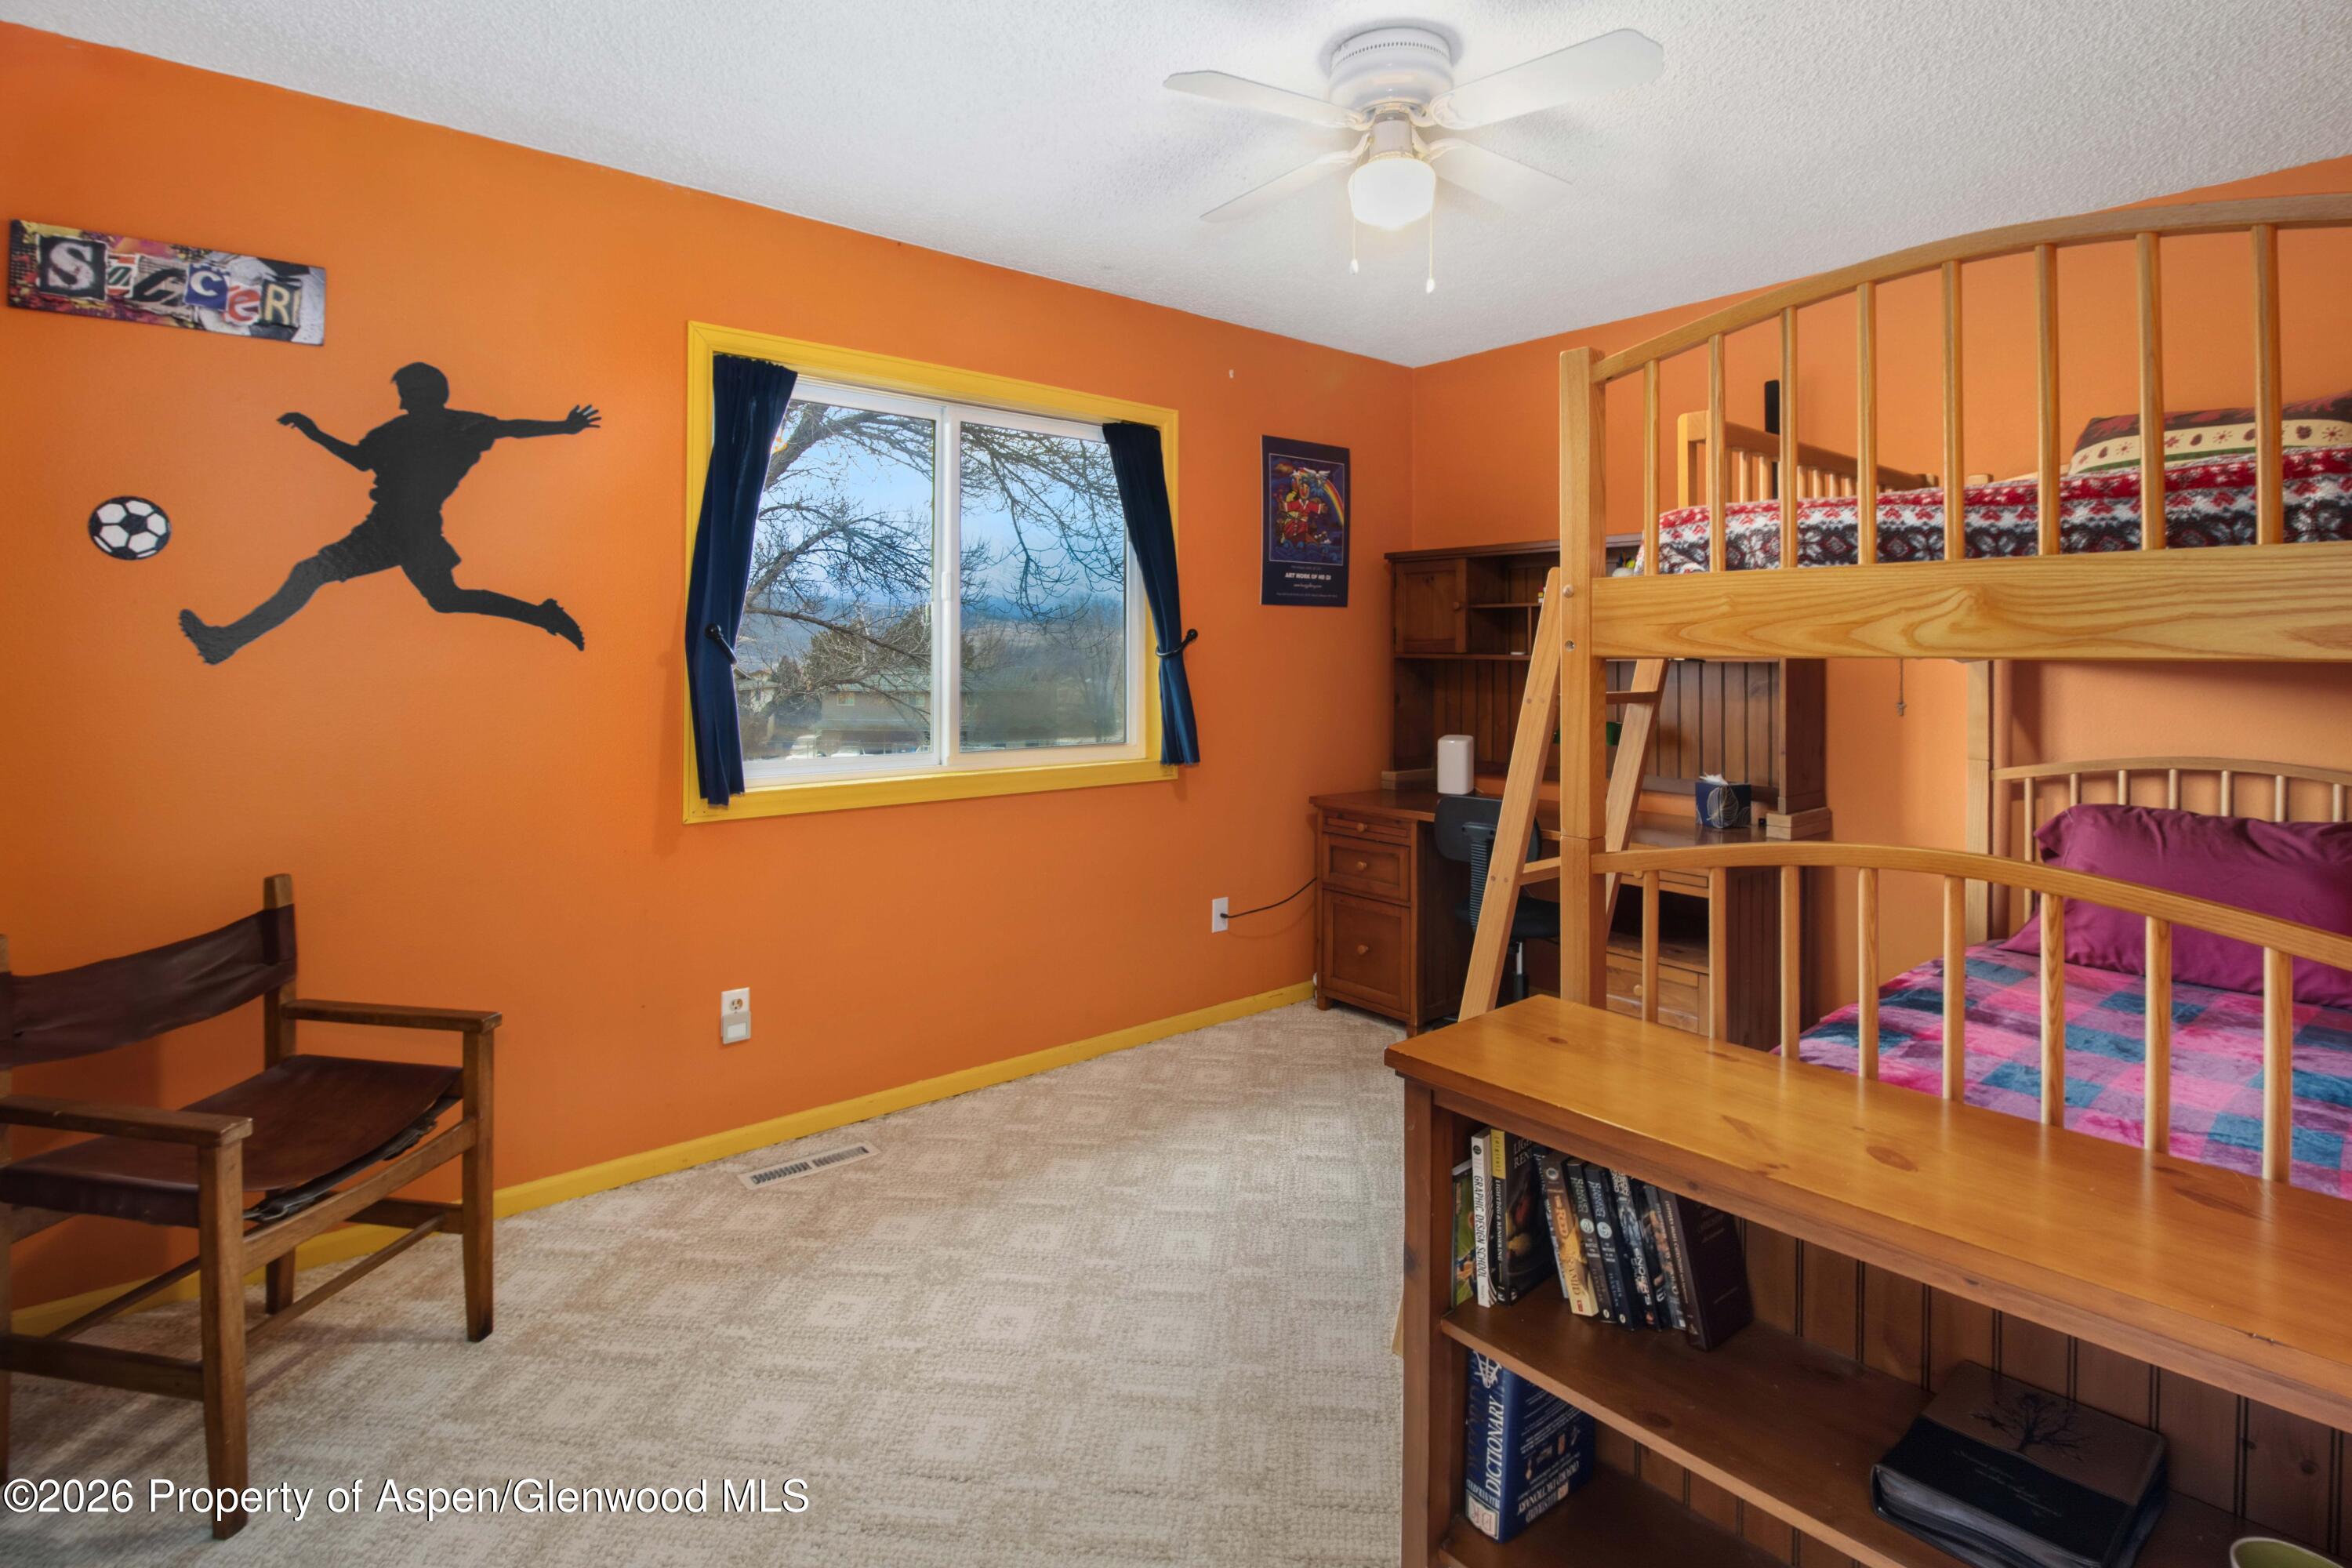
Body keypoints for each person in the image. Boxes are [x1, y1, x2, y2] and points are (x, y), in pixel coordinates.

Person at [179, 362, 599, 663]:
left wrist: (564, 427)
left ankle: (225, 643)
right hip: (403, 528)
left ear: (423, 394)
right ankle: (542, 614)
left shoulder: (462, 426)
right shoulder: (396, 431)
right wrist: (315, 433)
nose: (402, 397)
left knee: (311, 574)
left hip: (402, 529)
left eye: (408, 390)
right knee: (445, 599)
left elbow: (510, 427)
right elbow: (361, 459)